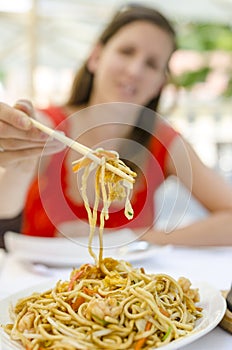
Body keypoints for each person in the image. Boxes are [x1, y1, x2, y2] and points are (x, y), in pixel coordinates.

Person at [0, 3, 232, 247]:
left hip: (126, 285)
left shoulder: (162, 140)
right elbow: (3, 212)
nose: (134, 70)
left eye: (151, 64)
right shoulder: (49, 126)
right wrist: (21, 158)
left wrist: (132, 238)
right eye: (126, 51)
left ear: (159, 84)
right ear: (96, 57)